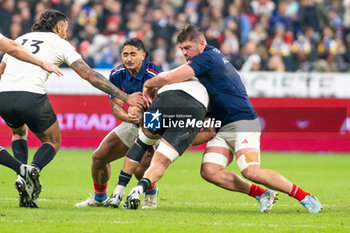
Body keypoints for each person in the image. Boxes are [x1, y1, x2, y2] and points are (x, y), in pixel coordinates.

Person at [126, 24, 323, 214]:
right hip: (221, 125)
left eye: (188, 48)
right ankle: (262, 194)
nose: (185, 53)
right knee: (210, 171)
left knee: (251, 171)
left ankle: (305, 197)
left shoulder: (207, 57)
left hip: (242, 121)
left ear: (201, 44)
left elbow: (170, 77)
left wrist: (149, 84)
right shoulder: (204, 60)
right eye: (181, 49)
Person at [0, 9, 144, 208]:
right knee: (52, 140)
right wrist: (125, 96)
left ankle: (22, 176)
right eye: (66, 29)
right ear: (59, 27)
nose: (66, 34)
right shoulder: (60, 43)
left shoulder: (22, 38)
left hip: (3, 95)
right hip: (30, 94)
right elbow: (89, 75)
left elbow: (1, 71)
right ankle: (31, 169)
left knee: (18, 132)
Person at [74, 38, 162, 209]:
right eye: (125, 54)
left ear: (143, 55)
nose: (128, 58)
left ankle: (151, 193)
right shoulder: (117, 74)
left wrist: (150, 133)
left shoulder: (155, 74)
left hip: (154, 124)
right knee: (98, 158)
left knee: (138, 169)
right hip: (133, 123)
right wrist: (129, 118)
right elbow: (116, 107)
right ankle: (99, 198)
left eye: (133, 54)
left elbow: (163, 107)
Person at [109, 75, 210, 210]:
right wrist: (178, 142)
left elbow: (156, 86)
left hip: (165, 98)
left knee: (141, 143)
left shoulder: (178, 75)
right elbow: (211, 130)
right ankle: (138, 190)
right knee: (161, 160)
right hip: (194, 106)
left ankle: (118, 192)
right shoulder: (215, 89)